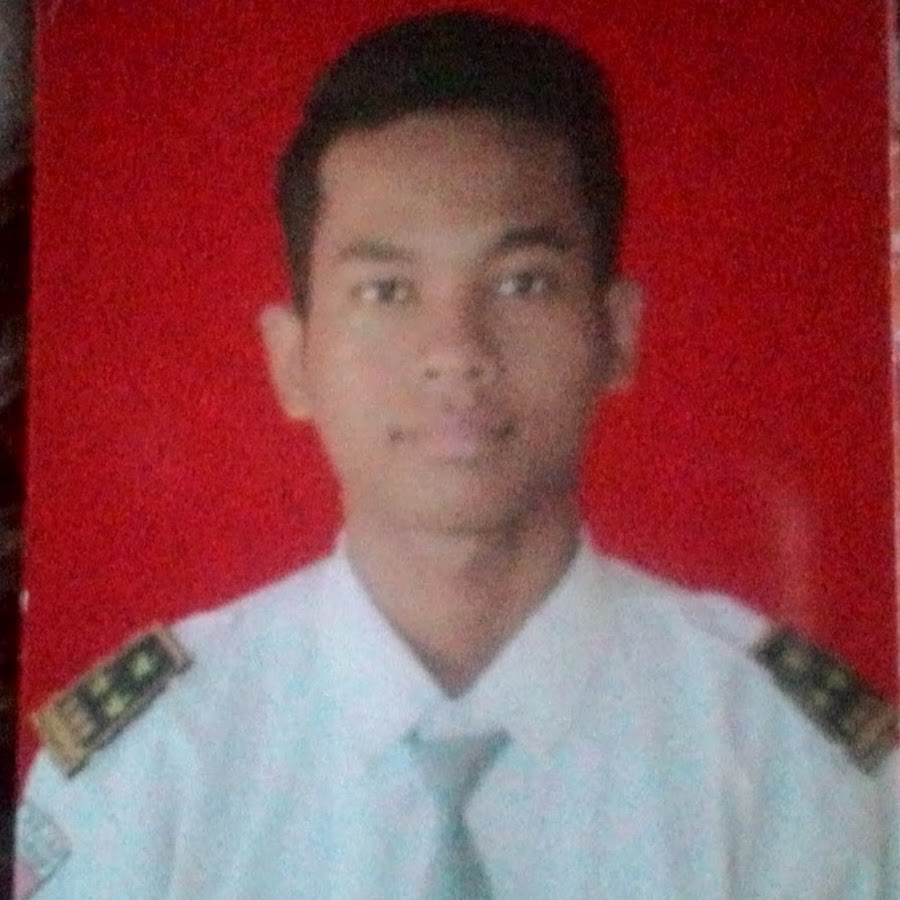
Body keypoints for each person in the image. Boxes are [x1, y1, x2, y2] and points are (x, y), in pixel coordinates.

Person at [15, 10, 898, 899]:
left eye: (521, 283)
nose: (456, 351)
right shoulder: (149, 772)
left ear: (617, 333)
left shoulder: (791, 765)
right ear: (292, 360)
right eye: (386, 290)